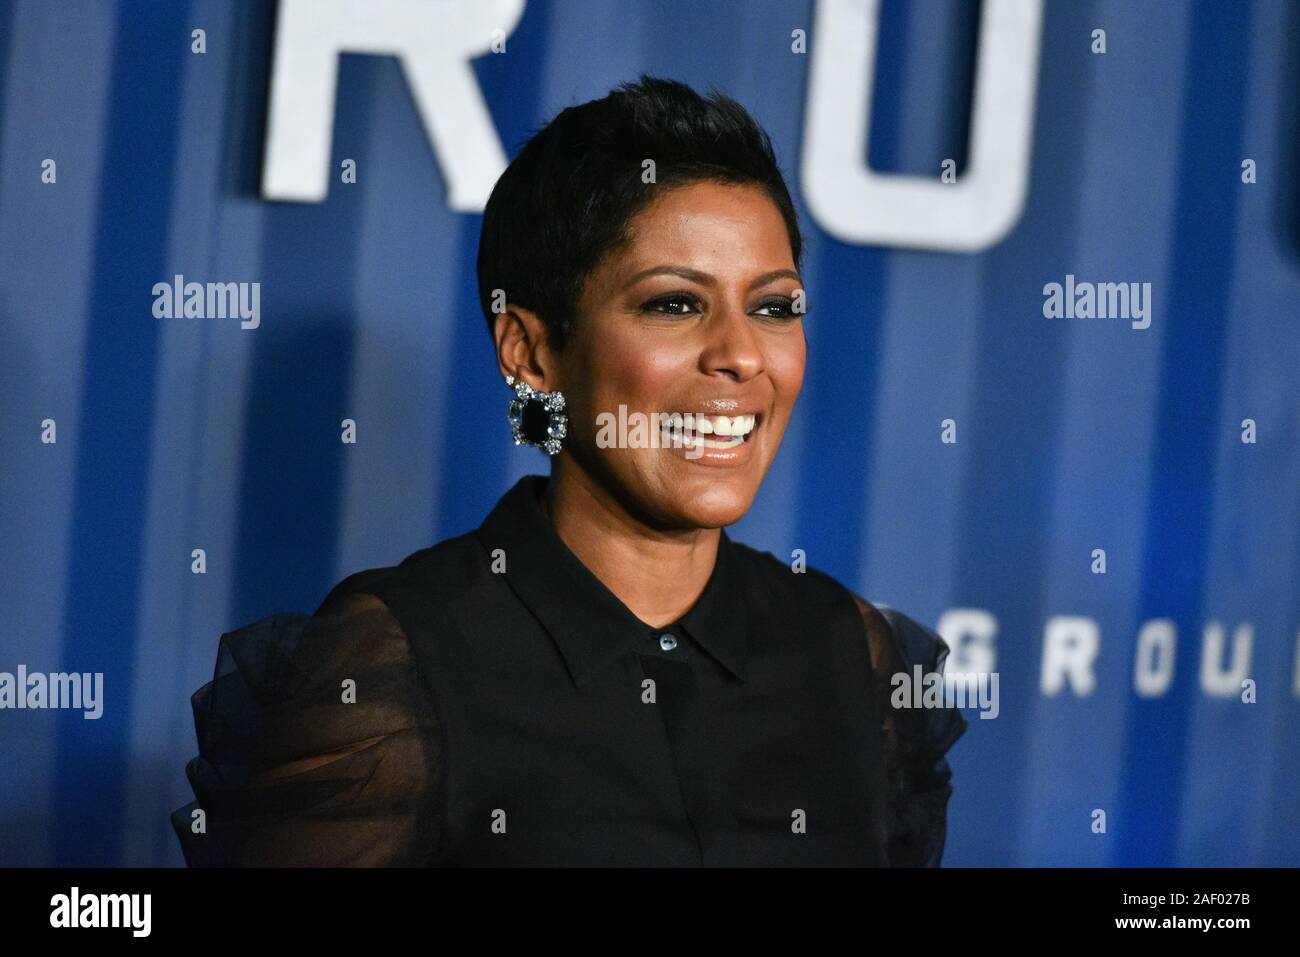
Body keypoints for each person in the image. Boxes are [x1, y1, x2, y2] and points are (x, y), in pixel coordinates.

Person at [171, 74, 967, 867]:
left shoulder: (848, 655)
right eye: (673, 304)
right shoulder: (400, 666)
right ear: (530, 351)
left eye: (774, 307)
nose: (741, 355)